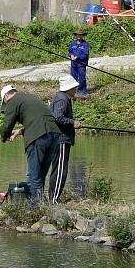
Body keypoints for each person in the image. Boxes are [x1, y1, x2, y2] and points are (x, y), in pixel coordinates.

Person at [0, 84, 64, 205]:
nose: (6, 106)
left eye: (5, 103)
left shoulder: (13, 101)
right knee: (40, 175)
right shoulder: (31, 98)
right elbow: (39, 120)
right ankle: (42, 206)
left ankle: (35, 208)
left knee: (33, 177)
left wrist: (3, 136)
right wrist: (20, 131)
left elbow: (7, 124)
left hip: (38, 138)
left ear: (7, 96)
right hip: (54, 135)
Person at [48, 75, 83, 203]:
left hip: (58, 139)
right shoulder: (62, 99)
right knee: (60, 170)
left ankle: (53, 198)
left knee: (58, 169)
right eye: (75, 87)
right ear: (69, 88)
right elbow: (57, 117)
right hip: (61, 139)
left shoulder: (61, 97)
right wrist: (72, 122)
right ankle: (54, 200)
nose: (76, 90)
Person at [68, 29, 90, 96]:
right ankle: (72, 91)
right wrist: (71, 55)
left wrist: (77, 57)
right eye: (78, 34)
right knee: (72, 77)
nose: (79, 36)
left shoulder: (85, 44)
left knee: (82, 78)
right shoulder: (72, 43)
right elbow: (70, 51)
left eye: (81, 35)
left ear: (82, 36)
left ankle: (82, 91)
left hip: (81, 64)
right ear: (76, 35)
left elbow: (86, 54)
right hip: (73, 64)